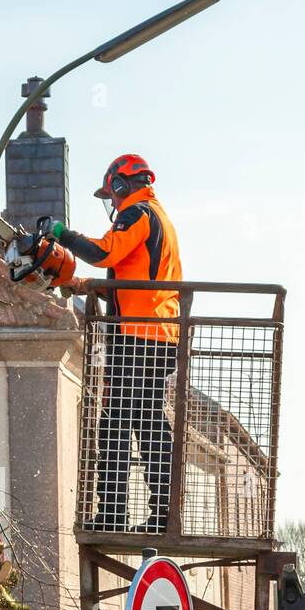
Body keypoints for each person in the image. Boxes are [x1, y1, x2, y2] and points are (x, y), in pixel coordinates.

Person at [39, 154, 182, 534]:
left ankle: (114, 513)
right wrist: (89, 286)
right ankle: (163, 513)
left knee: (117, 421)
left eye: (112, 193)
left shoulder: (136, 214)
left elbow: (104, 252)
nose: (112, 202)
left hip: (138, 335)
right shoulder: (158, 216)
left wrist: (61, 234)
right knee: (147, 421)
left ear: (122, 185)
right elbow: (136, 276)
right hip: (159, 333)